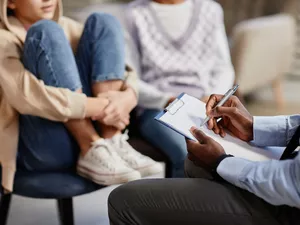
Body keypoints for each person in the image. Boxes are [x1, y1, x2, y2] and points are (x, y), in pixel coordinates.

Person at [0, 0, 162, 192]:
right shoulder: (4, 39)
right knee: (46, 30)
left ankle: (112, 138)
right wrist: (105, 107)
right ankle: (90, 144)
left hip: (93, 135)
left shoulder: (68, 26)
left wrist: (129, 96)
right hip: (39, 146)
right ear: (9, 2)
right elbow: (26, 97)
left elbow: (124, 68)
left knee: (104, 21)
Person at [108, 94, 300, 225]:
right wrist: (254, 127)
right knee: (193, 164)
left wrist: (221, 161)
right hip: (289, 174)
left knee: (122, 201)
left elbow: (291, 182)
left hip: (289, 209)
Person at [125, 0, 235, 177]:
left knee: (232, 152)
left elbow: (223, 67)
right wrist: (168, 100)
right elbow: (130, 78)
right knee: (189, 153)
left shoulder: (210, 10)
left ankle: (209, 204)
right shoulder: (134, 13)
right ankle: (180, 204)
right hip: (157, 108)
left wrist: (211, 97)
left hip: (204, 104)